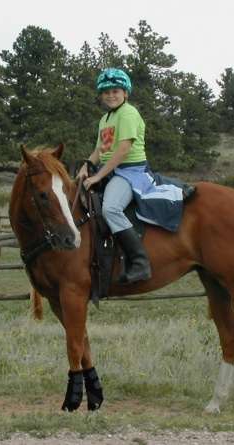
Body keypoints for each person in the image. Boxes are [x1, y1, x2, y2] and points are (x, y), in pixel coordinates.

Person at [77, 68, 152, 284]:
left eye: (116, 91)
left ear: (125, 93)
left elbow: (123, 149)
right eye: (106, 92)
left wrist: (98, 175)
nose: (111, 95)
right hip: (113, 170)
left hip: (130, 171)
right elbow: (101, 150)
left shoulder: (128, 113)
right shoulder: (105, 119)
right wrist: (86, 166)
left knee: (110, 208)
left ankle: (140, 262)